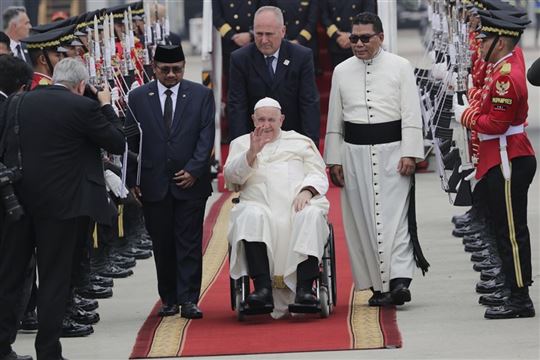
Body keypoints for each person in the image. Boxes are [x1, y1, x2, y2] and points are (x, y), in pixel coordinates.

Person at [0, 57, 125, 360]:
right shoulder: (83, 107)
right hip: (63, 207)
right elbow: (118, 141)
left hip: (18, 203)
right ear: (81, 85)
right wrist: (107, 105)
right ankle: (48, 351)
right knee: (54, 280)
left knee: (10, 276)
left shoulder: (18, 102)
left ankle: (2, 346)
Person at [324, 12, 428, 307]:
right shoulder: (341, 71)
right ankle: (378, 287)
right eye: (354, 38)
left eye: (365, 38)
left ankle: (399, 281)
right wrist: (334, 159)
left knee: (395, 220)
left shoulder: (400, 66)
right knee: (363, 221)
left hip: (393, 152)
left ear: (380, 37)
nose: (358, 44)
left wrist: (410, 152)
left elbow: (411, 112)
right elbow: (335, 119)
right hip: (354, 154)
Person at [454, 13, 536, 319]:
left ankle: (520, 298)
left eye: (484, 39)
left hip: (508, 158)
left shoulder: (505, 76)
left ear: (499, 42)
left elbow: (496, 123)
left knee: (511, 233)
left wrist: (465, 115)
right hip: (501, 156)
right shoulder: (501, 67)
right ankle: (511, 286)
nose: (479, 43)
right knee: (503, 229)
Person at [126, 44, 215, 319]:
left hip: (190, 183)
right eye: (165, 70)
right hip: (153, 182)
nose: (171, 75)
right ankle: (169, 298)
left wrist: (195, 170)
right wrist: (133, 179)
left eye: (177, 69)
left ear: (183, 68)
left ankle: (189, 298)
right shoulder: (138, 97)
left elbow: (206, 135)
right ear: (154, 68)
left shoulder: (201, 94)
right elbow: (131, 140)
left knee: (188, 242)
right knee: (162, 243)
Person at [224, 97, 329, 319]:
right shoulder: (241, 143)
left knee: (310, 214)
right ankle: (262, 289)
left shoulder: (300, 142)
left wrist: (307, 191)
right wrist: (251, 153)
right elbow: (232, 179)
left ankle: (304, 290)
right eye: (261, 119)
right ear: (253, 119)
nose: (266, 125)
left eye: (271, 119)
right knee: (250, 215)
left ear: (281, 119)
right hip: (258, 206)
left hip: (296, 205)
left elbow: (318, 173)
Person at [227, 5, 320, 145]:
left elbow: (309, 103)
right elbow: (237, 106)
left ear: (282, 31)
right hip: (255, 141)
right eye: (258, 34)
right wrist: (241, 146)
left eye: (269, 34)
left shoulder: (301, 57)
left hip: (292, 139)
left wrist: (310, 146)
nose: (264, 40)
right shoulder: (240, 59)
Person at [320, 0, 376, 67]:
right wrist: (337, 36)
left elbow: (369, 15)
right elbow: (324, 17)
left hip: (359, 42)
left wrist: (351, 35)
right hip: (337, 42)